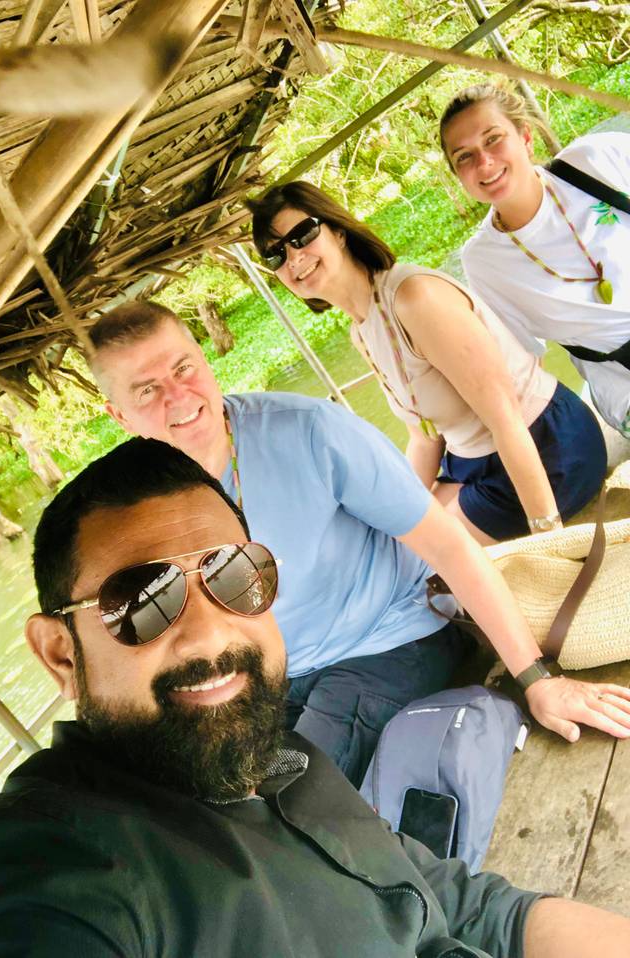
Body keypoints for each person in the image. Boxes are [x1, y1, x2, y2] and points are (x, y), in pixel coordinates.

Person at [0, 438, 629, 957]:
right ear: (61, 653)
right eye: (139, 601)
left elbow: (467, 907)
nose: (208, 633)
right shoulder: (45, 865)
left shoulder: (281, 754)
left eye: (234, 575)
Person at [85, 302, 630, 784]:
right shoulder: (137, 504)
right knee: (206, 794)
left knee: (296, 792)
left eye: (183, 368)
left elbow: (449, 547)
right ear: (118, 415)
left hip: (389, 636)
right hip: (271, 676)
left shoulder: (310, 431)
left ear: (205, 362)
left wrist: (537, 680)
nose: (178, 396)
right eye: (147, 390)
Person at [248, 181, 606, 546]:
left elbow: (506, 417)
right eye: (275, 255)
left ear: (338, 231)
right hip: (471, 462)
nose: (293, 257)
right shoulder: (363, 329)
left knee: (429, 559)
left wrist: (550, 537)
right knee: (396, 545)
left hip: (547, 446)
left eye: (302, 235)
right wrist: (392, 521)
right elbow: (423, 438)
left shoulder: (414, 298)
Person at [438, 82, 630, 438]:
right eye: (464, 156)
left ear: (525, 137)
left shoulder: (594, 160)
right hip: (623, 382)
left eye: (493, 139)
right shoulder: (484, 262)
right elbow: (524, 361)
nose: (484, 162)